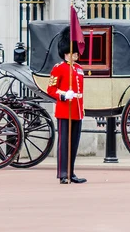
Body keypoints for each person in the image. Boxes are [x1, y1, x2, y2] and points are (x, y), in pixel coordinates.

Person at [47, 27, 87, 184]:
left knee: (73, 144)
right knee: (64, 144)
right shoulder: (59, 68)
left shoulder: (79, 69)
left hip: (76, 111)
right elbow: (51, 89)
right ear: (65, 52)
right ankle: (63, 174)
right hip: (65, 110)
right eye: (73, 52)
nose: (76, 54)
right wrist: (63, 95)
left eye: (76, 52)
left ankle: (71, 172)